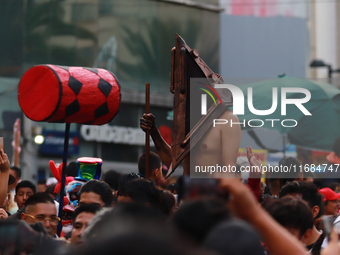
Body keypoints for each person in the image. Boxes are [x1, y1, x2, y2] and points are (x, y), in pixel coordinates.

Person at [140, 110, 241, 175]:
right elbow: (173, 161)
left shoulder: (228, 119)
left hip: (211, 199)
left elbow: (229, 171)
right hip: (188, 198)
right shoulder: (186, 119)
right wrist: (153, 132)